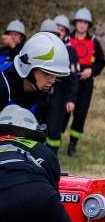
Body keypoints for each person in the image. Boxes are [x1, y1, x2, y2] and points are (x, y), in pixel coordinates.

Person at [64, 7, 105, 157]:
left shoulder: (94, 42)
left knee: (80, 114)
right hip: (68, 82)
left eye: (85, 23)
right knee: (62, 112)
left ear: (88, 25)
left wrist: (91, 71)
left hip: (85, 84)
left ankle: (73, 144)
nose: (82, 25)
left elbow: (101, 62)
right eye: (79, 22)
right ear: (75, 23)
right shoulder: (67, 40)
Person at [37, 19, 80, 153]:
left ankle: (52, 156)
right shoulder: (36, 49)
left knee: (54, 127)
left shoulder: (67, 51)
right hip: (40, 92)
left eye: (60, 32)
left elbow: (73, 78)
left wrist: (71, 99)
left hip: (59, 93)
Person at [1, 32, 69, 114]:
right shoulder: (2, 85)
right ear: (28, 67)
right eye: (47, 73)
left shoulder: (42, 94)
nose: (52, 80)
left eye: (55, 74)